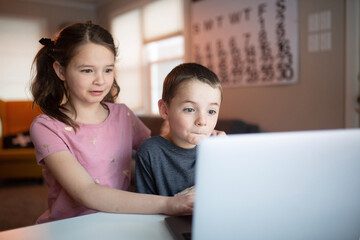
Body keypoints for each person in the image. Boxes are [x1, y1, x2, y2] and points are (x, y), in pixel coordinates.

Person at [29, 22, 193, 224]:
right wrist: (170, 204)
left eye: (108, 70)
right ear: (61, 71)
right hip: (71, 226)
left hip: (122, 219)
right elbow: (86, 192)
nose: (100, 80)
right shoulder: (47, 126)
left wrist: (203, 141)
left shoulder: (122, 114)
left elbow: (158, 152)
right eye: (87, 70)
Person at [135, 63, 224, 196]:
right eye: (189, 109)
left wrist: (226, 155)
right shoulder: (150, 152)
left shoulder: (218, 147)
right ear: (165, 110)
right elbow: (145, 205)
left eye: (211, 111)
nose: (202, 121)